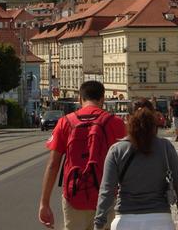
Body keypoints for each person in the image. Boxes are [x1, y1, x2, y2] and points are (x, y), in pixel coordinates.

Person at [39, 81, 127, 230]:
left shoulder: (65, 122)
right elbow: (127, 163)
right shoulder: (116, 123)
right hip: (107, 197)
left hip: (74, 196)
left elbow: (53, 165)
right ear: (102, 99)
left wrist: (44, 203)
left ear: (80, 99)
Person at [94, 99, 178, 230]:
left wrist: (99, 223)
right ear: (155, 119)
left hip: (125, 220)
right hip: (161, 220)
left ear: (128, 118)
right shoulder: (165, 147)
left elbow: (106, 191)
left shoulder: (116, 150)